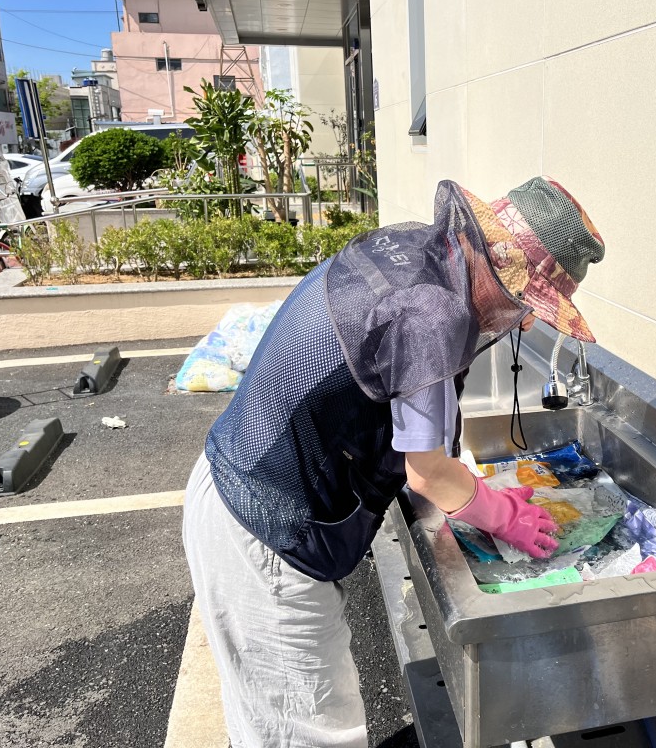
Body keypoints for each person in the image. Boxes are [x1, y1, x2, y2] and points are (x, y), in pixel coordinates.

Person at [182, 176, 605, 747]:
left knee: (276, 721)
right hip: (263, 531)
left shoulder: (413, 252)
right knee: (307, 732)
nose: (524, 323)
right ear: (497, 273)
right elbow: (426, 470)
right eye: (525, 306)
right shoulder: (432, 314)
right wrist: (503, 514)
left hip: (237, 480)